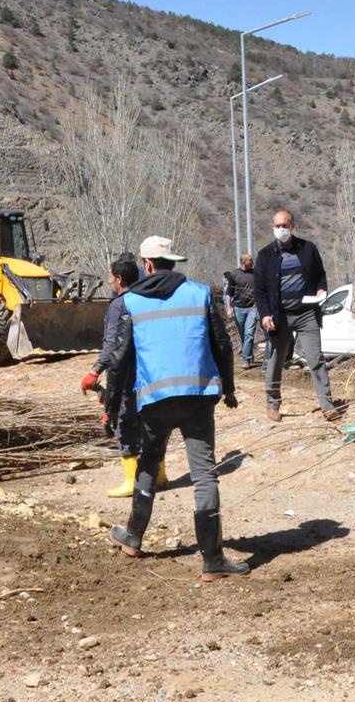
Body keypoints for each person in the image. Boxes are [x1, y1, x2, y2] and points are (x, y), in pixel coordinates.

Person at [104, 236, 248, 581]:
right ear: (172, 262)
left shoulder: (130, 302)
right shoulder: (199, 293)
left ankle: (134, 538)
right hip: (198, 396)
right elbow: (223, 345)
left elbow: (119, 360)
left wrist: (111, 406)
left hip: (154, 401)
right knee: (204, 474)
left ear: (147, 264)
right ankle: (212, 560)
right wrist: (228, 388)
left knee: (149, 465)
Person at [81, 252, 166, 498]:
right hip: (151, 372)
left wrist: (94, 371)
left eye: (110, 278)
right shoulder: (147, 299)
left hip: (127, 374)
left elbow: (112, 347)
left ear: (118, 279)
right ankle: (160, 475)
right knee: (150, 423)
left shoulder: (119, 305)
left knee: (124, 422)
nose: (109, 282)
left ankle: (131, 480)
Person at [252, 208, 340, 423]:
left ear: (292, 226)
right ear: (272, 227)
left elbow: (320, 275)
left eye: (285, 225)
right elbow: (260, 290)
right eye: (278, 226)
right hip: (279, 316)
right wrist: (264, 315)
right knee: (275, 360)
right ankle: (273, 404)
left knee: (315, 358)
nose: (282, 229)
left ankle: (327, 405)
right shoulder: (264, 255)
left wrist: (321, 290)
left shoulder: (308, 249)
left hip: (306, 313)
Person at [222, 254, 258, 367]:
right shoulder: (234, 275)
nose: (252, 262)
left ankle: (246, 359)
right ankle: (250, 355)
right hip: (238, 309)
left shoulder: (256, 273)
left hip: (253, 308)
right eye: (250, 261)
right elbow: (228, 293)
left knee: (249, 334)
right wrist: (228, 308)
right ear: (243, 262)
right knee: (244, 336)